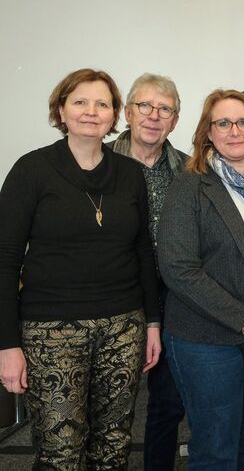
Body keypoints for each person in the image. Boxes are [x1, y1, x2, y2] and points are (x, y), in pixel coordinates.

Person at [0, 68, 161, 469]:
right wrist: (7, 345)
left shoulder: (131, 174)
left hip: (123, 327)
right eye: (80, 102)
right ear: (61, 110)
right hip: (51, 331)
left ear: (115, 115)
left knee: (114, 447)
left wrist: (153, 322)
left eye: (102, 103)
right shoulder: (31, 170)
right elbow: (5, 259)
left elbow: (143, 251)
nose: (91, 111)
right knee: (60, 453)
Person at [158, 89, 244, 470]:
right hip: (205, 334)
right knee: (216, 444)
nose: (234, 131)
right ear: (208, 132)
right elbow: (177, 267)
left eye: (242, 122)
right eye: (223, 123)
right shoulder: (190, 185)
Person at [111, 73, 188, 471]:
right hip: (115, 297)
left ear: (175, 120)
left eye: (165, 109)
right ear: (127, 112)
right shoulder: (99, 165)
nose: (154, 116)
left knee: (168, 402)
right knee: (110, 404)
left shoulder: (190, 171)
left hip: (174, 299)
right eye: (145, 106)